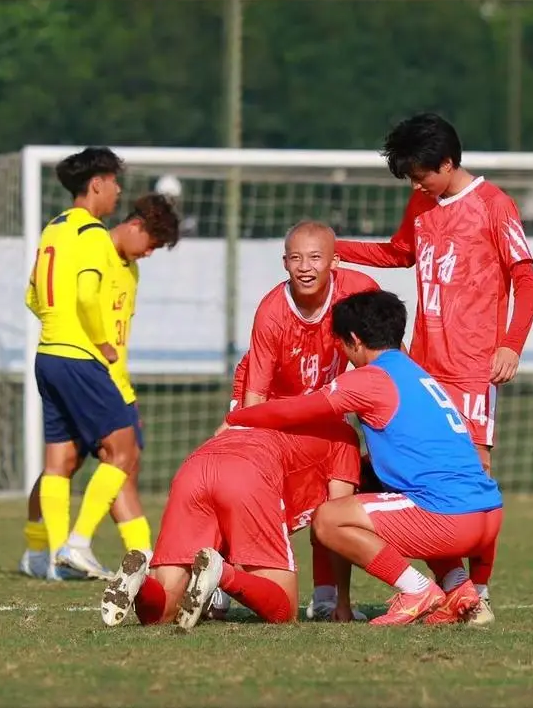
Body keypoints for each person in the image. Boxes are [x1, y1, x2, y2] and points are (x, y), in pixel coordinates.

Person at [332, 113, 533, 623]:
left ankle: (479, 593)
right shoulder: (422, 204)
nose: (415, 185)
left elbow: (526, 280)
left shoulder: (494, 205)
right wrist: (336, 251)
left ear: (447, 163)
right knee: (414, 480)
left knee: (473, 476)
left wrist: (510, 345)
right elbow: (400, 252)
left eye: (421, 174)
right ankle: (455, 590)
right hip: (424, 369)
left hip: (473, 368)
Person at [224, 290, 504, 626]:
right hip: (487, 516)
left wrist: (237, 418)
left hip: (450, 520)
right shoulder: (414, 372)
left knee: (328, 519)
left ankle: (416, 590)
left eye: (342, 344)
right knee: (372, 477)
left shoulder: (370, 378)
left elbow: (295, 410)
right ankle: (460, 591)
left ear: (355, 340)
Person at [20, 192, 180, 578]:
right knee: (109, 457)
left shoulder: (131, 270)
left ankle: (52, 554)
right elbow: (56, 298)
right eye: (152, 243)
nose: (150, 253)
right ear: (136, 225)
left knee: (73, 462)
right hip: (85, 370)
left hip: (109, 378)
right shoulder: (93, 247)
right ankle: (70, 547)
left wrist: (126, 390)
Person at [231, 219, 378, 621]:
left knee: (336, 494)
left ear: (335, 262)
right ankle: (222, 576)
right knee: (247, 484)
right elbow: (255, 396)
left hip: (323, 408)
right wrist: (245, 436)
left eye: (315, 257)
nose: (305, 267)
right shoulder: (272, 311)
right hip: (273, 406)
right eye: (296, 258)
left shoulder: (359, 293)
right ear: (284, 263)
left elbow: (387, 354)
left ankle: (329, 598)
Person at [97, 418, 360, 629]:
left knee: (164, 612)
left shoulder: (259, 412)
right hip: (249, 470)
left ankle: (141, 582)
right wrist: (342, 602)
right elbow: (335, 521)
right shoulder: (343, 435)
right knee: (285, 609)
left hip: (195, 465)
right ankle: (221, 573)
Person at [22, 147, 140, 581]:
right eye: (114, 182)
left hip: (47, 355)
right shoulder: (92, 233)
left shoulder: (53, 228)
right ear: (97, 184)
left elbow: (31, 296)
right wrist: (102, 343)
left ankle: (57, 559)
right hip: (78, 356)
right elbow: (89, 297)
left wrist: (57, 324)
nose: (118, 191)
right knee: (123, 450)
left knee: (58, 460)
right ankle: (79, 542)